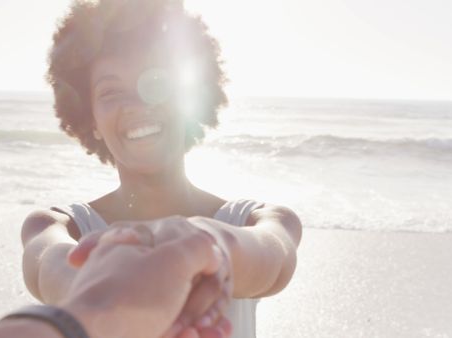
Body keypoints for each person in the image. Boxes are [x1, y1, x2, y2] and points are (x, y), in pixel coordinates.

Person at [22, 0, 302, 337]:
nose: (138, 104)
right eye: (111, 91)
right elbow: (50, 268)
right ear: (90, 118)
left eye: (155, 82)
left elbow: (273, 258)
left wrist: (208, 247)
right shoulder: (62, 227)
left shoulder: (254, 221)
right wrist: (109, 279)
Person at [0, 226, 229, 338]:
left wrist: (210, 238)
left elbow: (266, 257)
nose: (139, 107)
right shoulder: (55, 222)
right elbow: (50, 260)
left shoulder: (251, 215)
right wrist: (104, 306)